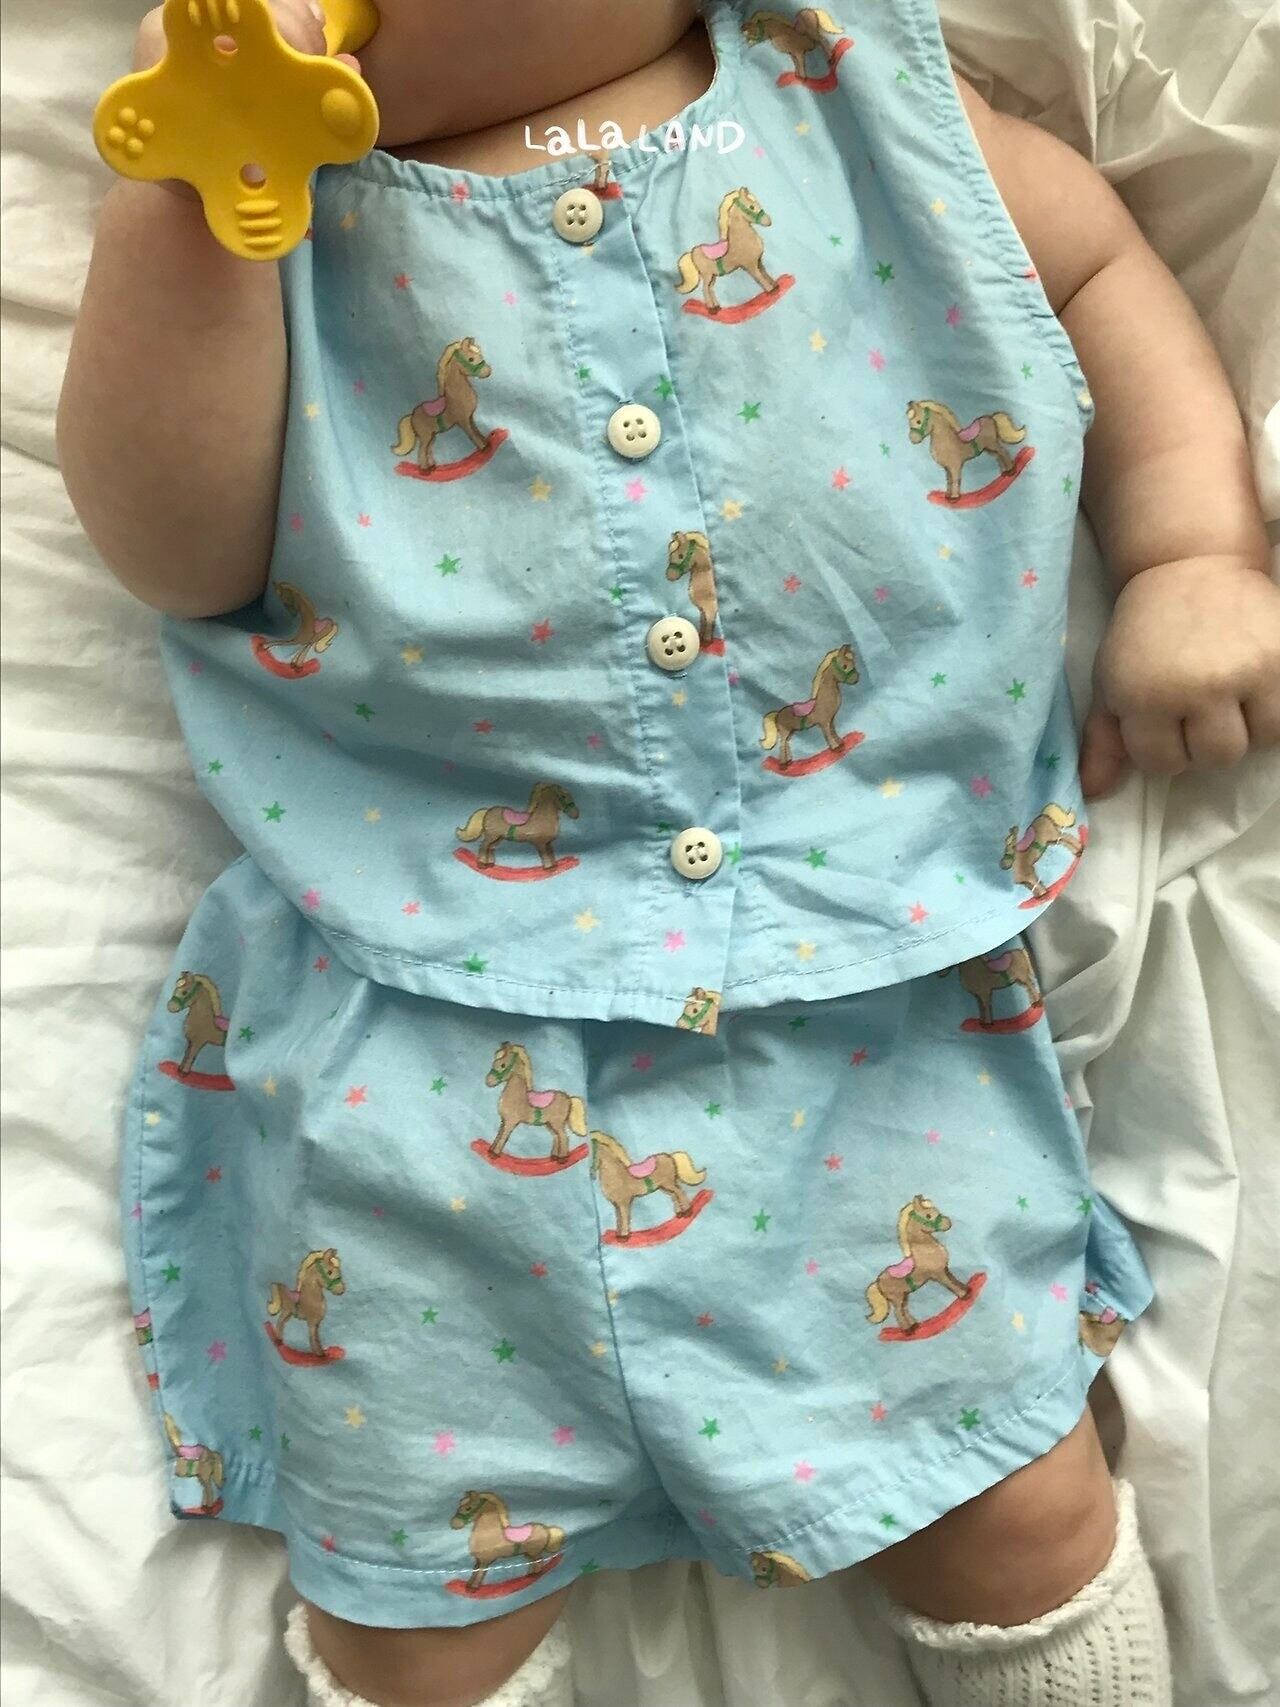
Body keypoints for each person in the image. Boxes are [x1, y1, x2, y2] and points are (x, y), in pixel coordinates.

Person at [59, 3, 1278, 1704]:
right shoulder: (273, 233)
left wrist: (1192, 546)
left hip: (850, 1007)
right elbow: (179, 551)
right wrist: (190, 211)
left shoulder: (849, 95)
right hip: (413, 1043)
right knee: (411, 1628)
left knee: (1015, 1505)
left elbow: (1090, 273)